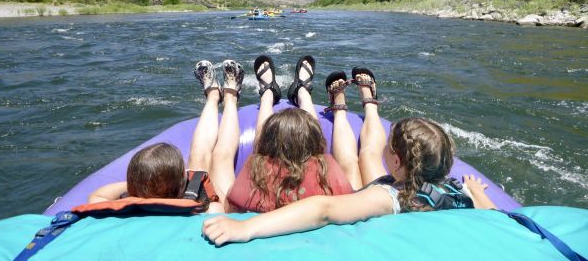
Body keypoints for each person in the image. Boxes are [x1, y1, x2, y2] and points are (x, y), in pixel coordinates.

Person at [202, 67, 496, 245]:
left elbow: (323, 209)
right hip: (443, 193)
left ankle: (339, 103)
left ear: (395, 161)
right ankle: (354, 102)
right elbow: (493, 217)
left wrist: (246, 227)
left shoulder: (387, 197)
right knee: (361, 160)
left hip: (367, 204)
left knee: (364, 157)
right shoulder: (456, 191)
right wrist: (477, 191)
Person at [86, 59, 248, 214]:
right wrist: (210, 188)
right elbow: (221, 212)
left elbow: (97, 195)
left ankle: (213, 97)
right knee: (222, 156)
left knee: (198, 154)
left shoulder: (123, 207)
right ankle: (230, 98)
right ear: (181, 184)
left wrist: (143, 186)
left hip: (157, 191)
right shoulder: (206, 211)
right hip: (210, 204)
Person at [218, 54, 355, 213]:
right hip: (316, 223)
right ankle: (303, 92)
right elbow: (348, 201)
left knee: (254, 153)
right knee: (314, 145)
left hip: (261, 226)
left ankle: (267, 94)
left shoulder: (255, 166)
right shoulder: (328, 167)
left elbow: (232, 207)